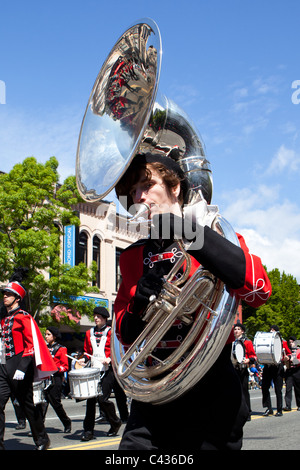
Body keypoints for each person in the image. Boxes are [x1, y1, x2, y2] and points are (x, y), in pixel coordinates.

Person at [114, 152, 272, 451]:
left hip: (211, 391)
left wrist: (182, 229)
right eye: (134, 191)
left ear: (175, 188)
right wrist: (138, 304)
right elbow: (124, 332)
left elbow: (258, 291)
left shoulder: (213, 234)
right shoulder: (134, 255)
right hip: (154, 393)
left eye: (147, 185)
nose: (139, 196)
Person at [0, 274, 57, 450]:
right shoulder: (3, 318)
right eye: (4, 293)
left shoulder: (24, 317)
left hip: (19, 365)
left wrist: (23, 368)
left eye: (8, 294)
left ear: (17, 298)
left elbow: (31, 345)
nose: (4, 296)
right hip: (3, 365)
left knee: (27, 406)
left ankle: (42, 439)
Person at [79, 307, 122, 441]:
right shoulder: (88, 333)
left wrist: (110, 358)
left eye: (98, 316)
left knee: (102, 399)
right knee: (91, 401)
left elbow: (117, 348)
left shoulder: (111, 332)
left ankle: (115, 422)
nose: (96, 318)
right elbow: (87, 351)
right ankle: (88, 431)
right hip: (93, 369)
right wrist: (83, 359)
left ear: (104, 318)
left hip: (107, 370)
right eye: (95, 316)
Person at [40, 326, 72, 432]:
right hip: (45, 378)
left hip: (55, 379)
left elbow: (65, 366)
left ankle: (67, 422)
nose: (46, 336)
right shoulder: (44, 348)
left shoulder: (61, 348)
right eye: (46, 334)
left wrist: (55, 369)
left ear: (54, 336)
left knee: (55, 403)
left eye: (48, 334)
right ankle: (39, 427)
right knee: (43, 403)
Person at [261, 325, 291, 417]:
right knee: (265, 387)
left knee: (278, 389)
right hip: (268, 366)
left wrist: (287, 357)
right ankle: (268, 408)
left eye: (273, 330)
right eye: (270, 330)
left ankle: (279, 409)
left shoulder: (283, 342)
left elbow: (289, 353)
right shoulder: (265, 341)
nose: (271, 331)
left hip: (278, 367)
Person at [233, 323, 257, 421]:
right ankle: (237, 412)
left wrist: (248, 360)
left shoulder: (247, 342)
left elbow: (253, 356)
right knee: (235, 392)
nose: (236, 331)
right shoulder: (232, 342)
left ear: (242, 331)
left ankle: (248, 413)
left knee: (244, 392)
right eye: (235, 329)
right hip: (234, 368)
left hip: (243, 369)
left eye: (238, 329)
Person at [283, 336, 300, 411]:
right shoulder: (288, 351)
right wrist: (286, 359)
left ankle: (299, 405)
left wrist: (293, 360)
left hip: (297, 370)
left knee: (298, 388)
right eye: (289, 342)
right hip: (289, 370)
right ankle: (288, 405)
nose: (291, 344)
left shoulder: (299, 350)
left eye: (292, 342)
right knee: (288, 388)